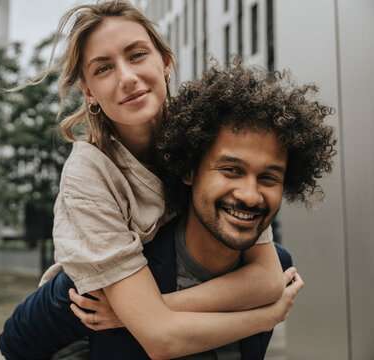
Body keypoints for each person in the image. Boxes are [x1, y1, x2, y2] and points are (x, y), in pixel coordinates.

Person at [0, 1, 298, 358]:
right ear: (90, 92)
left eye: (137, 55)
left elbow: (267, 277)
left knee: (274, 255)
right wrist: (266, 317)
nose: (126, 77)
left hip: (138, 299)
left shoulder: (203, 133)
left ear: (165, 62)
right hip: (67, 321)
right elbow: (159, 337)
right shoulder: (89, 173)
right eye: (104, 68)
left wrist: (145, 310)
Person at [66, 59, 337, 359]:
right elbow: (21, 339)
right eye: (231, 170)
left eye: (268, 178)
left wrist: (136, 313)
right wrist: (133, 310)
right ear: (189, 171)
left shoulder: (278, 271)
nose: (250, 196)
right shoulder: (120, 273)